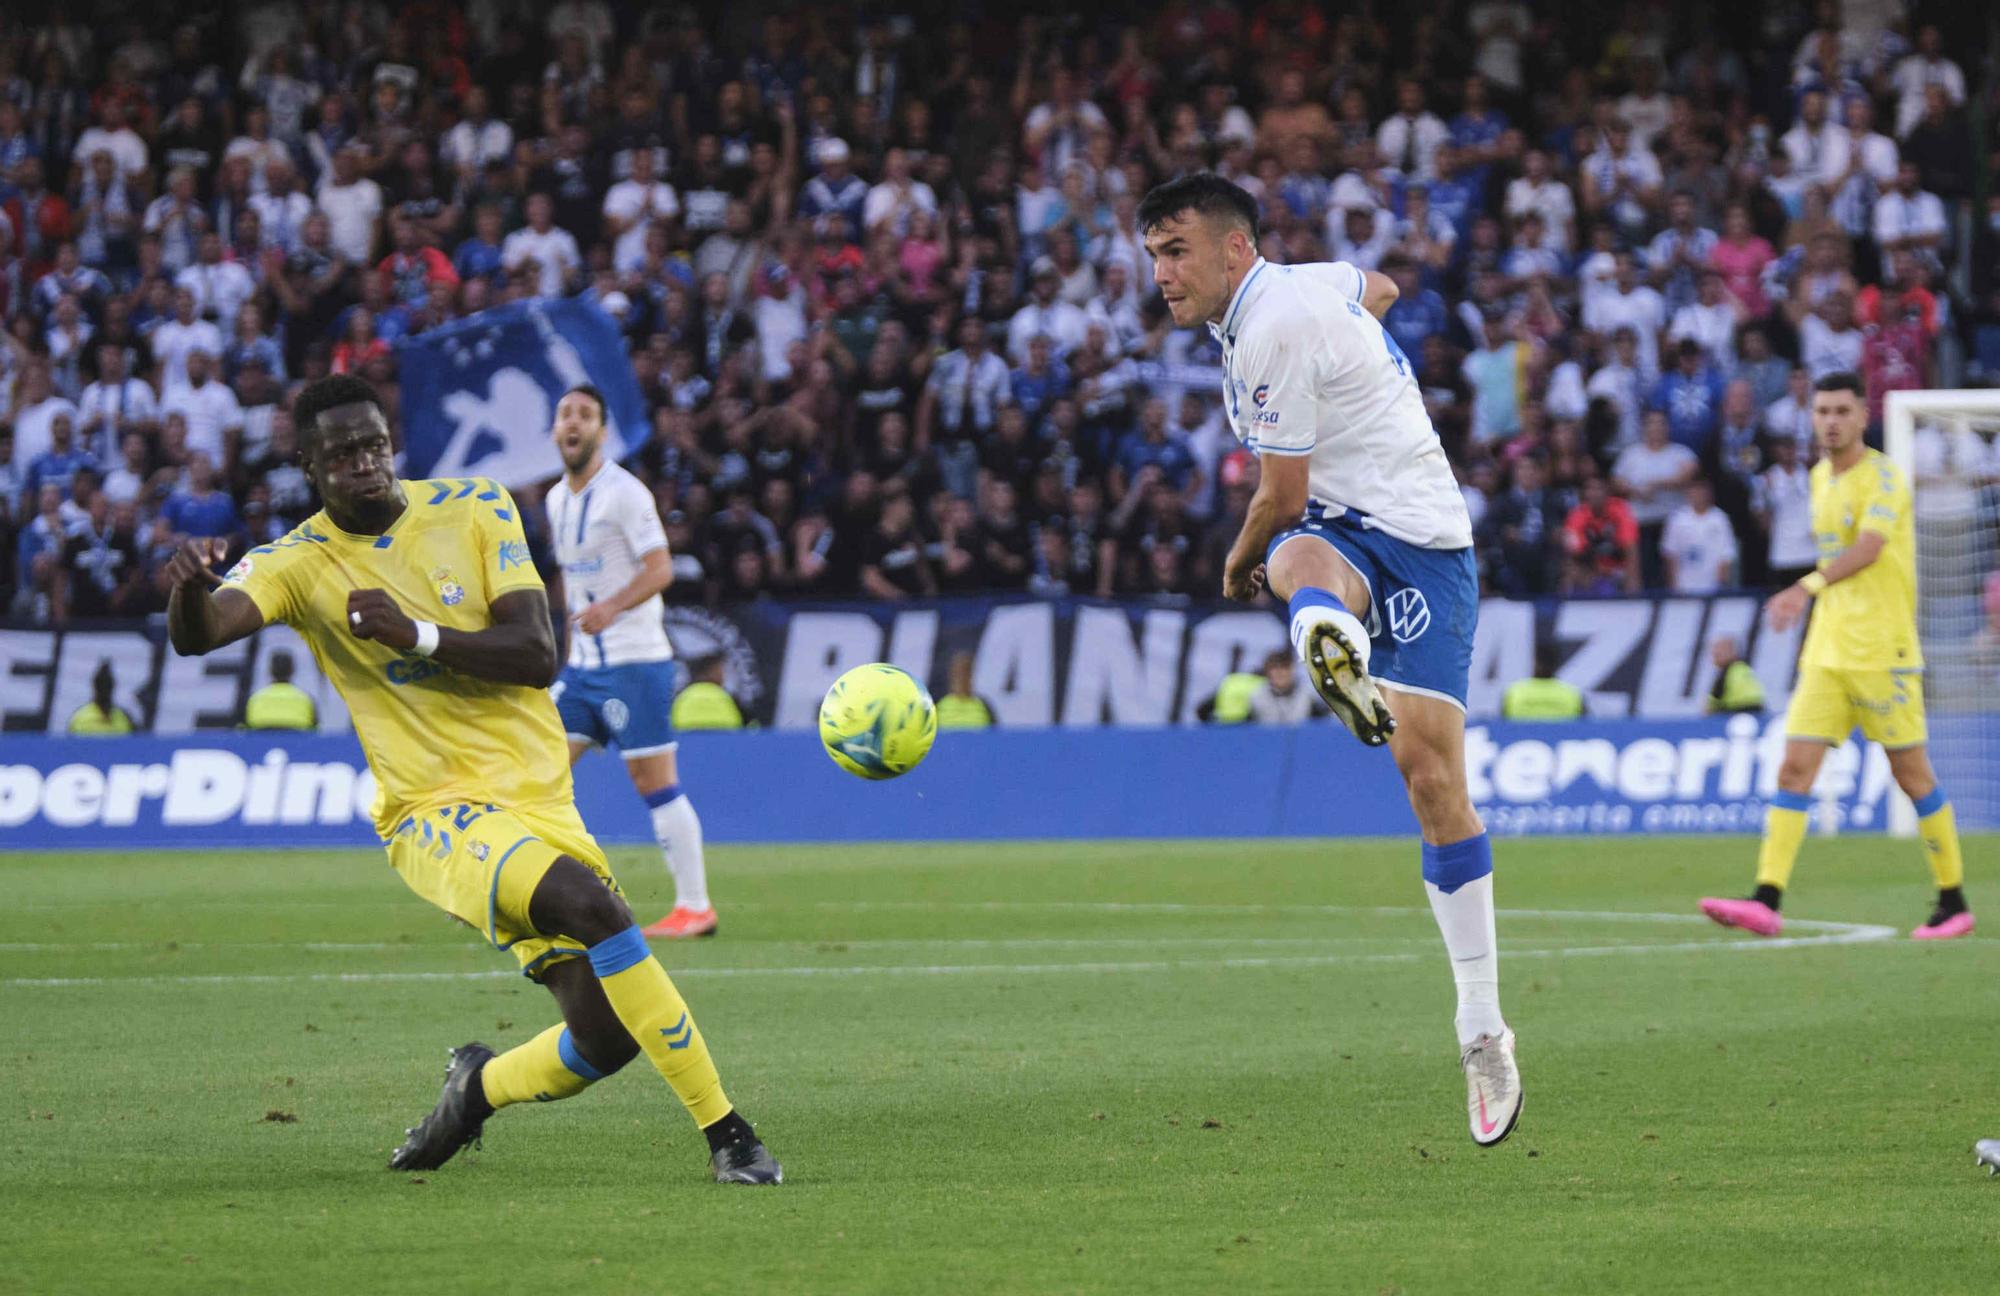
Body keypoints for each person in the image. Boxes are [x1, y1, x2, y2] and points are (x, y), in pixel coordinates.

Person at [160, 374, 779, 1184]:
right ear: (310, 467)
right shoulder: (299, 562)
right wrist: (189, 593)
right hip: (432, 811)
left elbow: (536, 655)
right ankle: (730, 1136)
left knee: (605, 1038)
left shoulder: (477, 505)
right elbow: (204, 633)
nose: (363, 463)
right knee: (598, 909)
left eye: (373, 444)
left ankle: (475, 1091)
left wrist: (413, 631)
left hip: (537, 795)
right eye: (340, 453)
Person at [1140, 173, 1521, 1146]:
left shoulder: (1269, 325)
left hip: (1425, 545)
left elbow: (1278, 492)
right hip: (1349, 531)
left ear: (1233, 249)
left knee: (1429, 776)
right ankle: (1332, 635)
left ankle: (1479, 1021)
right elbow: (1379, 289)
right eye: (1150, 254)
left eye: (1175, 250)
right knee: (1304, 556)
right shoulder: (1303, 284)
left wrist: (1233, 569)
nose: (1160, 274)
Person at [1701, 372, 1971, 942]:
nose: (1829, 421)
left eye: (1841, 411)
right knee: (1794, 768)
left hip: (1883, 651)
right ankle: (1767, 898)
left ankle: (1952, 902)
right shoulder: (1820, 476)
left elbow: (1870, 550)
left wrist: (1805, 589)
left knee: (1911, 773)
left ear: (1862, 415)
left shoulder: (1885, 477)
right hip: (1827, 652)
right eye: (1821, 411)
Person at [543, 385, 716, 942]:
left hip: (635, 663)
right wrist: (569, 657)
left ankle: (695, 906)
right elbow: (574, 584)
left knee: (654, 781)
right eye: (566, 414)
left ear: (602, 431)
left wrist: (611, 608)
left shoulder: (626, 493)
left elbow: (661, 568)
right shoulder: (554, 499)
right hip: (582, 671)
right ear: (555, 429)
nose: (574, 423)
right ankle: (538, 896)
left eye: (585, 415)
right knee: (537, 769)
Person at [1501, 643, 1584, 720]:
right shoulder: (1572, 694)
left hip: (1521, 735)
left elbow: (1501, 726)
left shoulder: (1514, 691)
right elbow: (1585, 727)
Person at [243, 649, 317, 730]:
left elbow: (242, 733)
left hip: (262, 742)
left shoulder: (254, 700)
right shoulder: (306, 700)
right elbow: (315, 734)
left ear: (270, 670)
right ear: (292, 670)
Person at [669, 656, 748, 731]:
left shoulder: (682, 697)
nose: (723, 674)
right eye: (719, 669)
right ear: (709, 671)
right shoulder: (725, 697)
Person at [1247, 649, 1316, 725]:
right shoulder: (1256, 698)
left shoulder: (1308, 697)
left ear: (1292, 669)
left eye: (1284, 667)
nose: (1280, 672)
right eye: (1274, 667)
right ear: (1267, 671)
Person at [66, 659, 136, 734]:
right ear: (95, 686)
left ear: (112, 687)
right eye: (101, 685)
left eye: (107, 685)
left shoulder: (124, 719)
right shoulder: (79, 718)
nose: (104, 689)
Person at [1704, 636, 1764, 715]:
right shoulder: (1743, 668)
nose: (1714, 656)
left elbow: (1713, 702)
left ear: (1731, 652)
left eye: (1717, 653)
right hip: (1757, 710)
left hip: (1738, 711)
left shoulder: (1727, 672)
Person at [934, 651, 995, 729]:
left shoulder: (984, 706)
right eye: (957, 674)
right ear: (951, 676)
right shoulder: (939, 706)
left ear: (970, 676)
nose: (960, 679)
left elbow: (996, 735)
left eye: (964, 674)